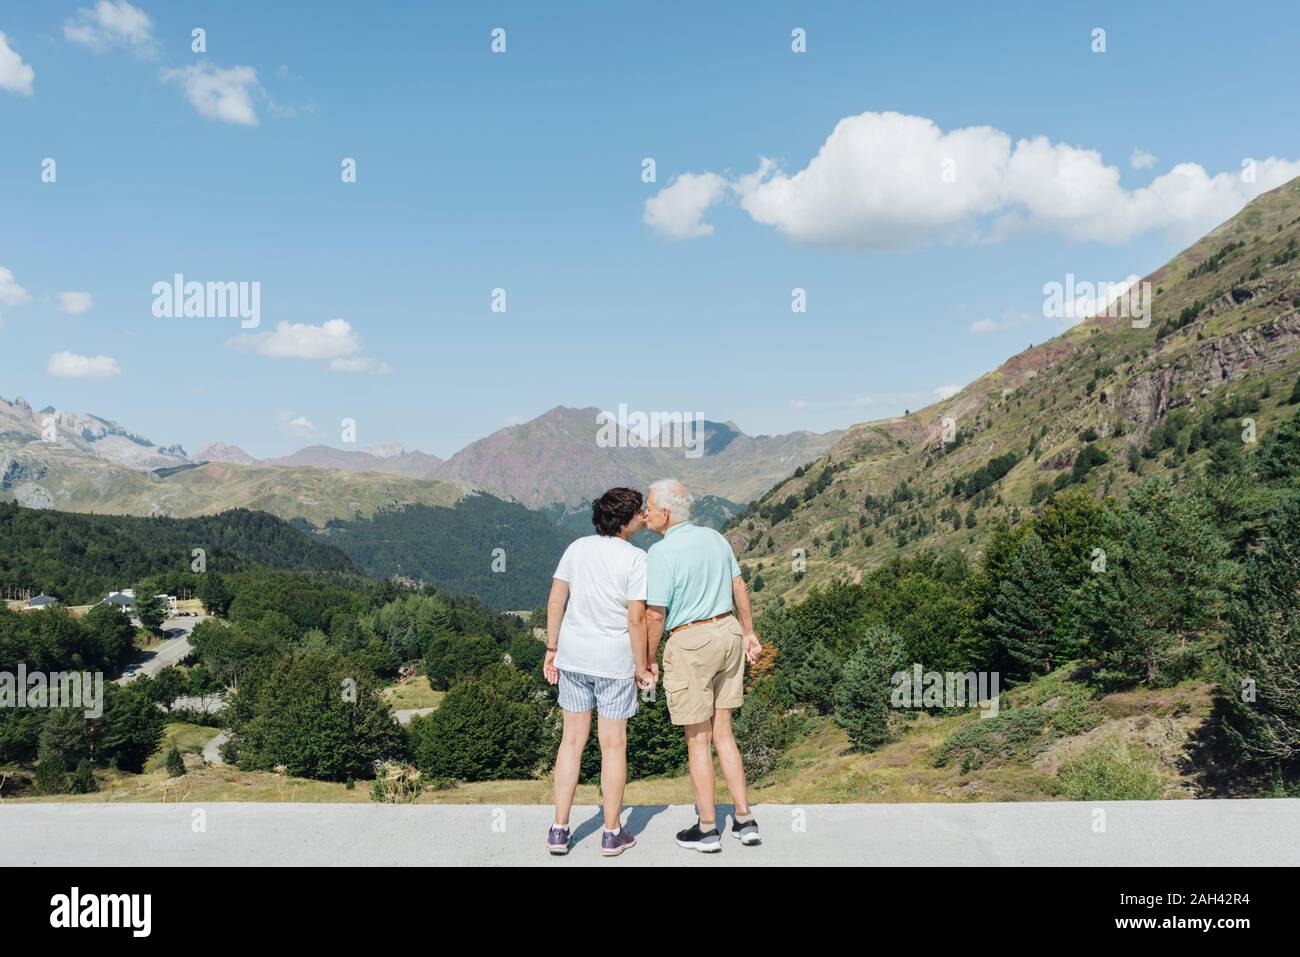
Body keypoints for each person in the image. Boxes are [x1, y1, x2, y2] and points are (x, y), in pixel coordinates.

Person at [643, 478, 763, 852]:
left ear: (665, 513)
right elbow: (739, 586)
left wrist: (647, 659)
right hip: (728, 632)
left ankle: (708, 828)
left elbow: (655, 615)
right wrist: (749, 633)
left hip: (691, 641)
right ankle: (745, 820)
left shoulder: (660, 554)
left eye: (648, 506)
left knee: (698, 739)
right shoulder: (716, 538)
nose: (644, 513)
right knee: (724, 733)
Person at [543, 487, 655, 857]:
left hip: (573, 658)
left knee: (571, 742)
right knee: (613, 746)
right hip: (614, 663)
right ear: (625, 519)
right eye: (640, 512)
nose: (644, 516)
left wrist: (552, 648)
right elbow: (636, 618)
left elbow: (557, 599)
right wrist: (642, 667)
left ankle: (559, 830)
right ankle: (611, 832)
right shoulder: (637, 559)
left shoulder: (577, 548)